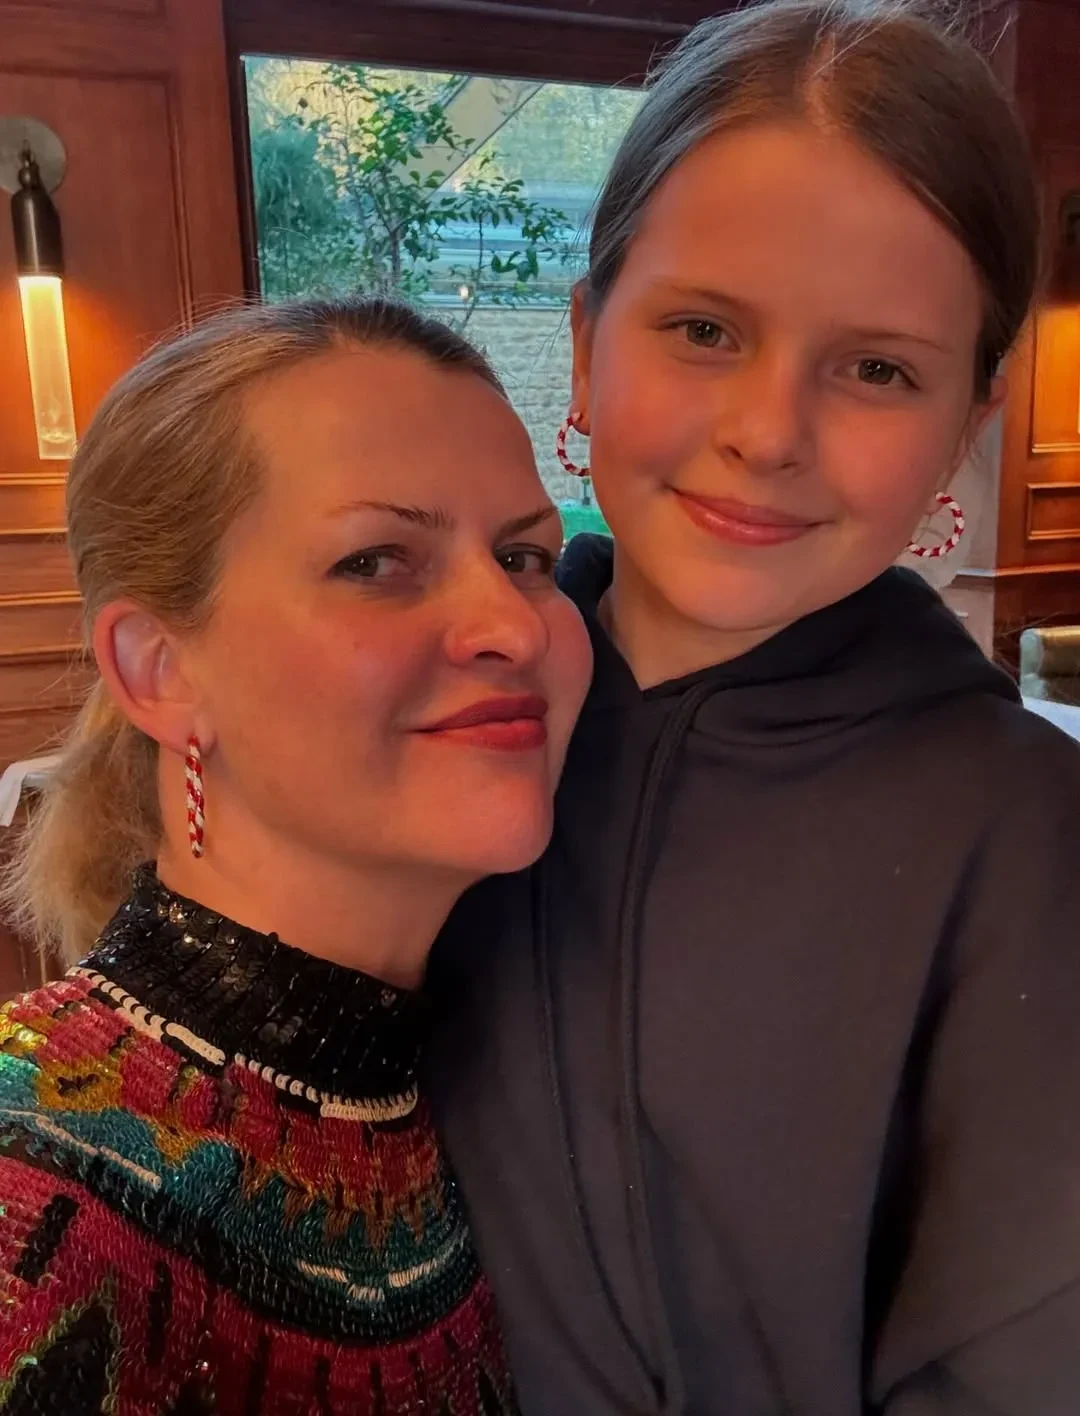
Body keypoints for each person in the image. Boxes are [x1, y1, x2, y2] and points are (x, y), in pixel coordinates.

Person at [427, 2, 1080, 1412]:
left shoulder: (1025, 831)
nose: (770, 433)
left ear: (966, 424)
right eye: (704, 329)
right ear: (587, 342)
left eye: (878, 368)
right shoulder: (445, 710)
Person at [0, 296, 591, 1414]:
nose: (515, 626)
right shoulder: (28, 1195)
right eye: (378, 561)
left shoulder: (481, 1098)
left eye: (525, 556)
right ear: (160, 668)